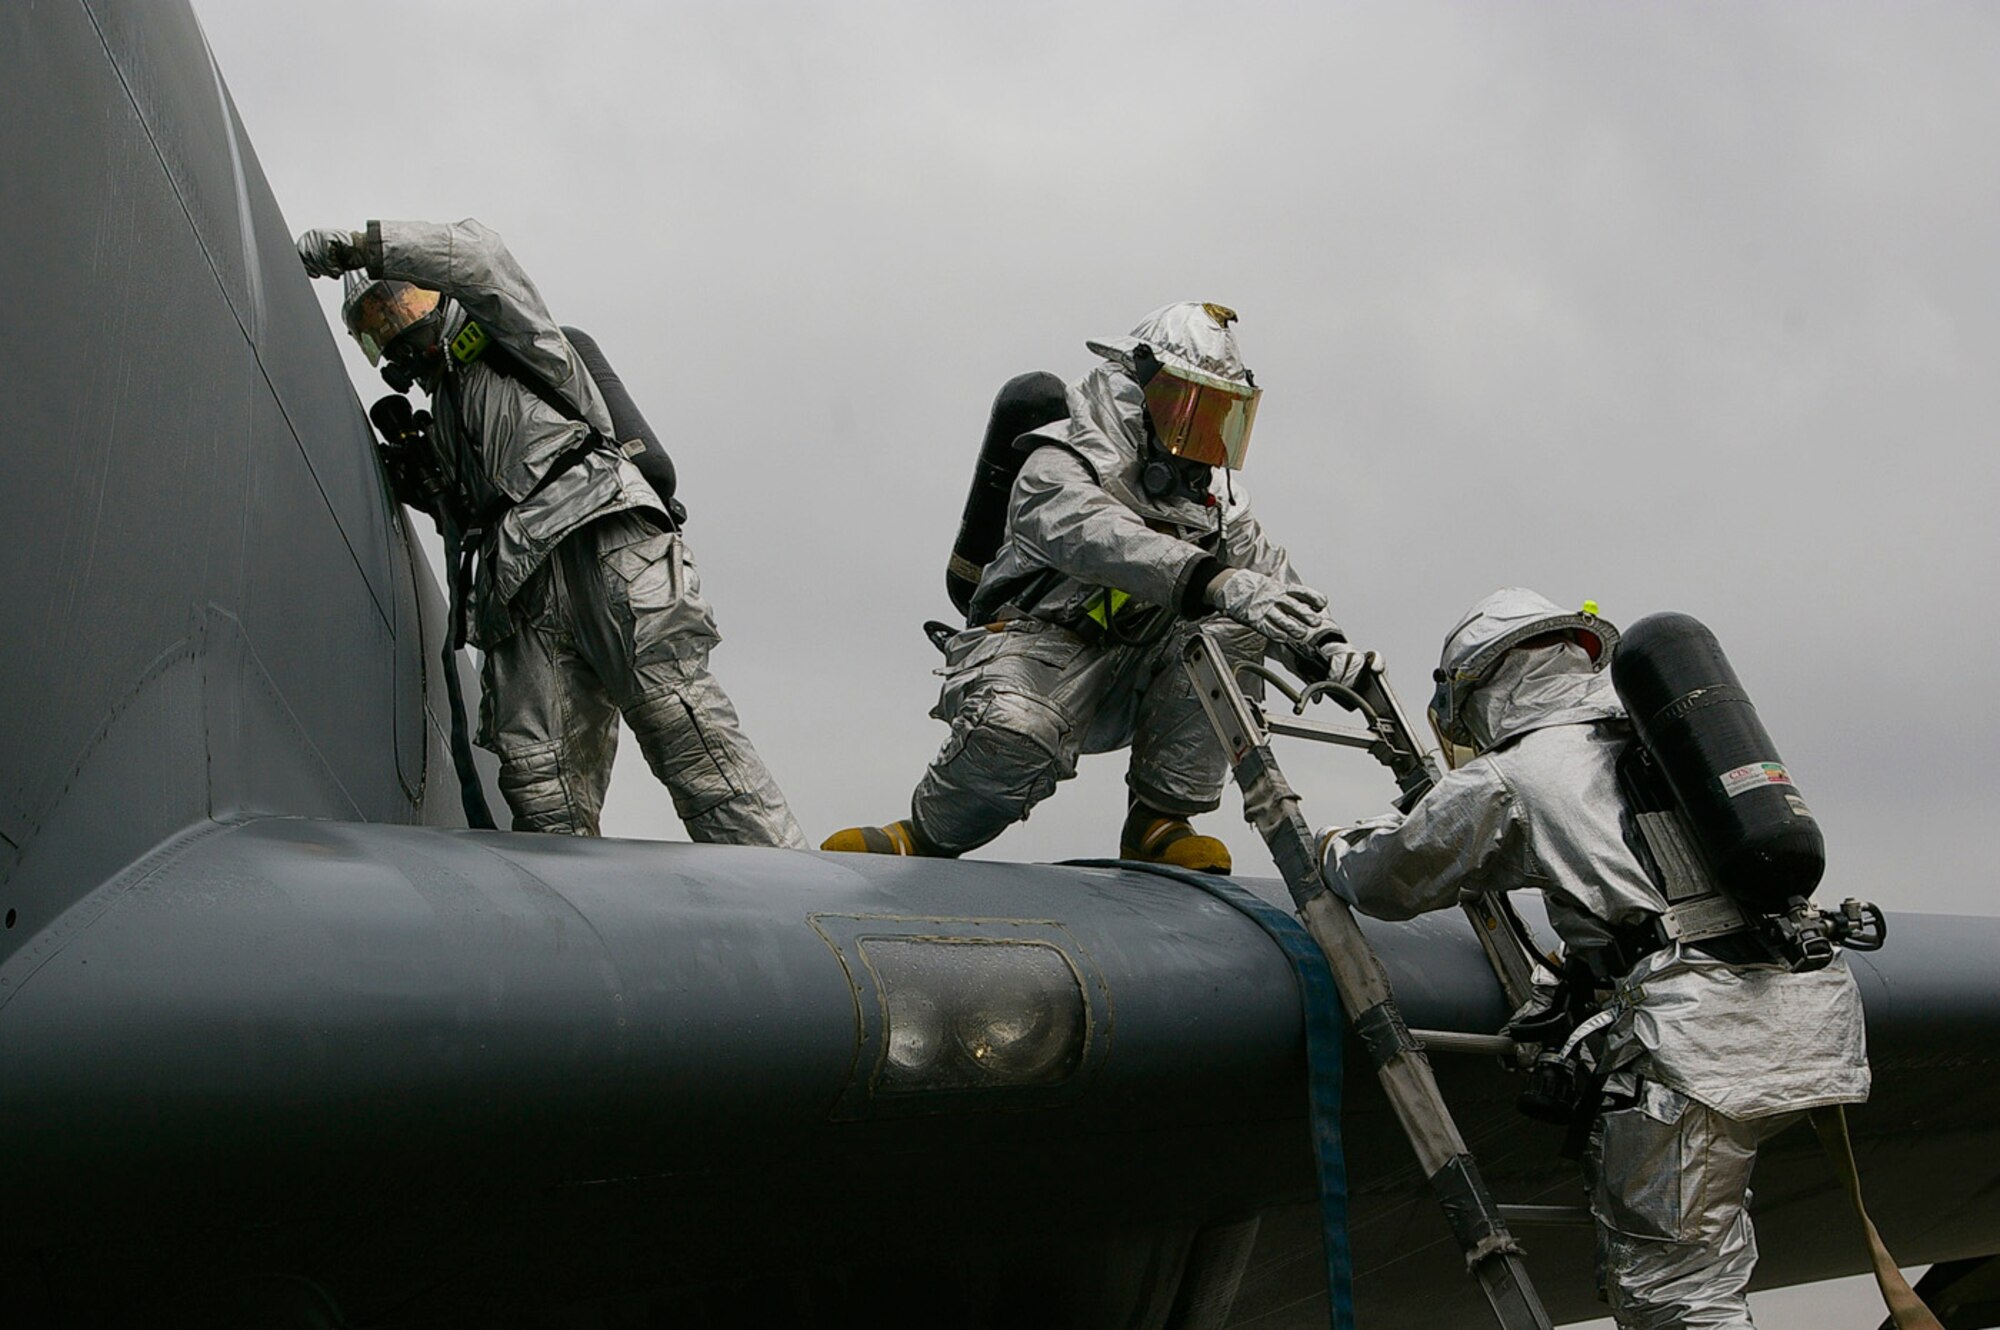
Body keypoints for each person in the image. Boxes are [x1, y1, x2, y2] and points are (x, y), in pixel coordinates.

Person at [1319, 587, 1870, 1329]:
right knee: (1710, 1246)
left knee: (1677, 1294)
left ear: (1483, 686)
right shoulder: (1653, 734)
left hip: (1693, 1046)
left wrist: (1331, 846)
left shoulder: (1517, 773)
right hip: (1796, 1014)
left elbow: (1388, 878)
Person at [296, 220, 805, 848]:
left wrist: (360, 247)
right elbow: (469, 520)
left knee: (685, 730)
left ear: (436, 293)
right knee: (542, 792)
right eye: (375, 322)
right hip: (520, 591)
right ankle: (581, 936)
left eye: (399, 301)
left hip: (598, 531)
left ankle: (777, 890)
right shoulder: (451, 415)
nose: (394, 327)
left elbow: (478, 255)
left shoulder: (520, 338)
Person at [823, 301, 1366, 873]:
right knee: (1016, 732)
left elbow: (1265, 576)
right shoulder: (1059, 459)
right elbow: (1100, 537)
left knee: (1234, 632)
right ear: (1143, 392)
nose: (1205, 439)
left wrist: (1325, 646)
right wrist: (1219, 581)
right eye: (1193, 412)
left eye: (1221, 418)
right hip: (1038, 646)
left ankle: (1158, 821)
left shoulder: (1216, 503)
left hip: (1139, 661)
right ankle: (926, 836)